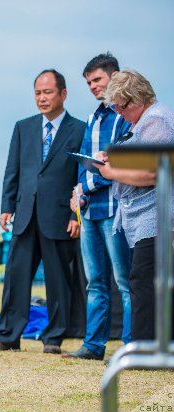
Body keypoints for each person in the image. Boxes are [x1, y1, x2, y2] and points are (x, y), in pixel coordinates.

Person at [0, 69, 86, 354]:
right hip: (24, 215)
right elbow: (12, 169)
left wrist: (76, 216)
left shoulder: (80, 129)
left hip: (60, 217)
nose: (42, 98)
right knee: (15, 277)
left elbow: (81, 177)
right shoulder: (22, 127)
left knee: (58, 281)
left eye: (48, 92)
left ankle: (53, 338)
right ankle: (7, 336)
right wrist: (6, 206)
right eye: (38, 93)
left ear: (63, 94)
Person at [93, 69, 174, 341]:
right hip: (148, 217)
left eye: (122, 105)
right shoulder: (143, 122)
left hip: (158, 216)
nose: (118, 112)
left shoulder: (156, 122)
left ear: (139, 97)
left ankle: (145, 347)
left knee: (143, 279)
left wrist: (110, 173)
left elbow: (152, 172)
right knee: (145, 280)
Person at [62, 53, 133, 361]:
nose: (92, 86)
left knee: (124, 282)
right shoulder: (93, 118)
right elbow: (88, 163)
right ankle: (93, 346)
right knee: (96, 283)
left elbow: (116, 163)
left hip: (117, 211)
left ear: (115, 76)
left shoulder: (125, 117)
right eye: (88, 82)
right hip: (90, 211)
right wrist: (77, 192)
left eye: (97, 80)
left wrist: (84, 187)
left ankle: (132, 348)